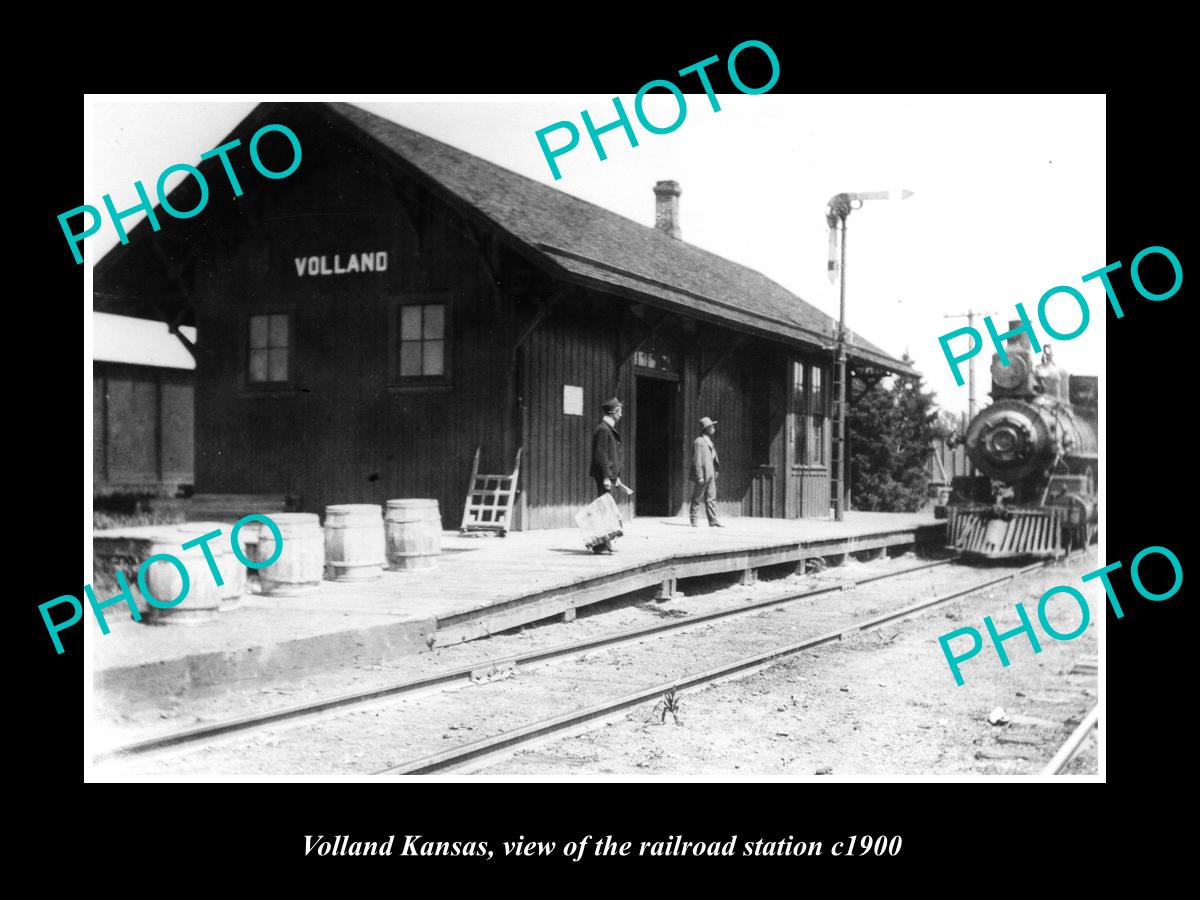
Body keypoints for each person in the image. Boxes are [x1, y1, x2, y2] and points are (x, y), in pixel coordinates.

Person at [589, 397, 624, 553]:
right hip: (605, 476)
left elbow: (610, 456)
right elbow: (601, 455)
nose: (621, 415)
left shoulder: (607, 428)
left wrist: (615, 477)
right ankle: (599, 545)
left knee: (607, 509)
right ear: (613, 412)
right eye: (620, 411)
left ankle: (606, 543)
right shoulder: (603, 429)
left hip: (609, 476)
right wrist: (605, 476)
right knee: (603, 509)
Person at [690, 416, 724, 528]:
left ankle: (713, 520)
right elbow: (697, 460)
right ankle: (694, 520)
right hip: (703, 474)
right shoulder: (699, 442)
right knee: (698, 497)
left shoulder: (709, 441)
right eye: (712, 426)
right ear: (706, 428)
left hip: (711, 473)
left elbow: (713, 458)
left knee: (711, 497)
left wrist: (715, 471)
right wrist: (699, 476)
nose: (714, 427)